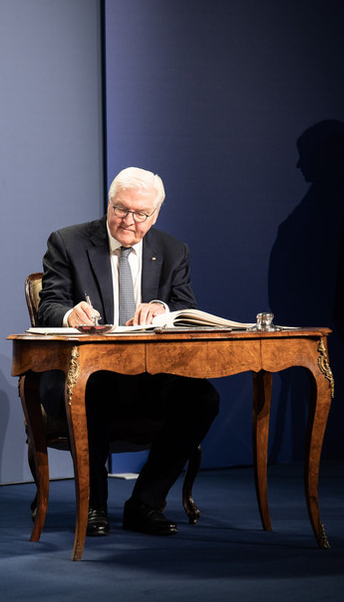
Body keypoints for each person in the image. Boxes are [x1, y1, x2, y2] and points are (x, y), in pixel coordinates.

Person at [36, 167, 219, 537]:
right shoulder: (68, 242)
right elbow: (49, 305)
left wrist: (163, 310)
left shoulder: (172, 250)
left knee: (202, 398)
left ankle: (145, 503)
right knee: (94, 387)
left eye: (141, 214)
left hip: (149, 378)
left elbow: (187, 310)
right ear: (109, 204)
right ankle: (94, 506)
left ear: (155, 215)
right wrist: (71, 314)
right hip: (86, 375)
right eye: (121, 210)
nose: (129, 221)